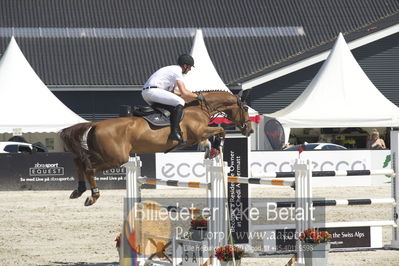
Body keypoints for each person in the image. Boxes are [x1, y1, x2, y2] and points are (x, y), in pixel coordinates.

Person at [141, 54, 200, 144]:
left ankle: (165, 128)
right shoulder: (177, 71)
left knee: (173, 105)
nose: (190, 69)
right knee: (180, 101)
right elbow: (184, 92)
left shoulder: (172, 71)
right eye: (190, 67)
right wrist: (198, 96)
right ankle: (175, 132)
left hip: (148, 93)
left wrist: (191, 95)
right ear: (185, 66)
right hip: (153, 91)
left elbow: (174, 91)